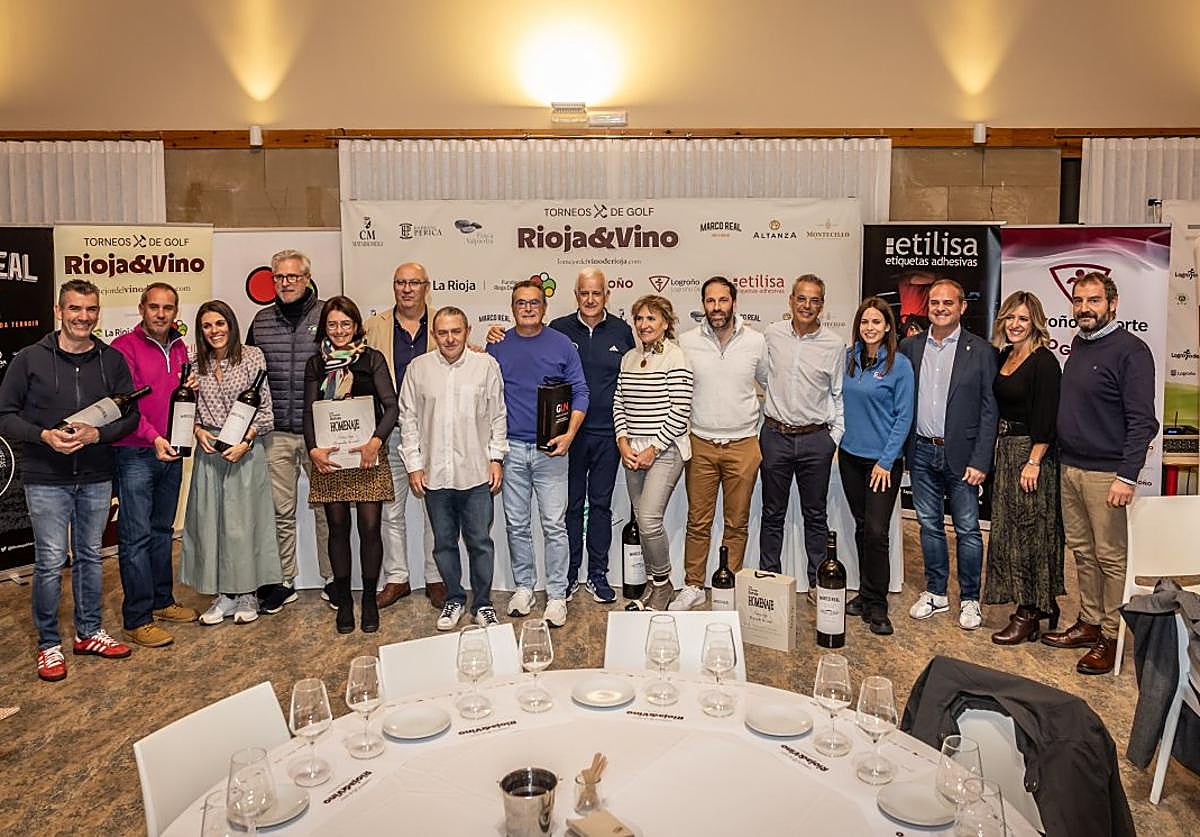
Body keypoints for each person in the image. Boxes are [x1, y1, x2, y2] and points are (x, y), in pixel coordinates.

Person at [0, 280, 137, 681]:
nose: (83, 317)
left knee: (91, 556)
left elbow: (130, 415)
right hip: (46, 478)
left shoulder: (111, 360)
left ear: (98, 313)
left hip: (96, 475)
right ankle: (49, 645)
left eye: (90, 309)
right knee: (49, 562)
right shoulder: (29, 359)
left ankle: (89, 632)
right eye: (75, 308)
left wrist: (98, 434)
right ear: (58, 312)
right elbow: (5, 414)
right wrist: (43, 435)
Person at [1042, 272, 1158, 674]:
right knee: (1082, 552)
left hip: (1106, 475)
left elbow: (1143, 421)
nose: (1084, 308)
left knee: (1110, 558)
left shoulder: (1132, 351)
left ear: (1113, 304)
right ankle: (1089, 622)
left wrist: (1127, 476)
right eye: (1078, 301)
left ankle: (1111, 635)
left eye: (1093, 300)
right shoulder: (1079, 344)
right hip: (1071, 467)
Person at [487, 280, 589, 628]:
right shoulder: (498, 345)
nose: (528, 308)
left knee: (554, 526)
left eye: (534, 303)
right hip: (511, 449)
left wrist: (569, 435)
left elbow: (581, 392)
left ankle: (557, 595)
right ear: (512, 308)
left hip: (552, 450)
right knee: (516, 524)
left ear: (544, 308)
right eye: (521, 303)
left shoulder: (561, 344)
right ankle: (524, 587)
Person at [898, 278, 998, 631]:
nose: (940, 308)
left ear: (962, 307)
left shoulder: (981, 351)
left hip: (963, 455)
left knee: (968, 529)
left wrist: (981, 460)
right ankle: (936, 592)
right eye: (935, 302)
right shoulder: (909, 347)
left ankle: (970, 598)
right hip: (921, 451)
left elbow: (989, 410)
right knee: (929, 525)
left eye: (948, 303)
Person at [400, 307, 508, 630]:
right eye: (443, 333)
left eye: (456, 331)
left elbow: (498, 415)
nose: (450, 339)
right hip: (435, 474)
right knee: (443, 544)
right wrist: (414, 465)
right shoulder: (418, 368)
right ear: (434, 335)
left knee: (480, 543)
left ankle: (483, 604)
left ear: (467, 330)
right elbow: (408, 419)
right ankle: (454, 599)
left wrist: (496, 458)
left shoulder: (485, 366)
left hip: (476, 472)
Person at [111, 282, 200, 649]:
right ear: (141, 308)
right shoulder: (123, 348)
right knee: (135, 538)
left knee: (163, 530)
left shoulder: (179, 347)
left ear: (175, 311)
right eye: (154, 307)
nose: (161, 314)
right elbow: (126, 405)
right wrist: (153, 438)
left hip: (172, 451)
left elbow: (177, 399)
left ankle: (162, 601)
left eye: (168, 307)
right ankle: (137, 618)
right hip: (136, 452)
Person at [182, 300, 282, 626]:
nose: (214, 331)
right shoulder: (193, 361)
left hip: (244, 450)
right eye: (207, 325)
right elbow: (187, 408)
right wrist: (197, 431)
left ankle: (248, 593)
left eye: (220, 323)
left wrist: (246, 442)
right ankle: (224, 595)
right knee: (211, 525)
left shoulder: (252, 357)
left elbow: (265, 411)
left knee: (244, 525)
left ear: (231, 325)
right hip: (210, 452)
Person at [304, 296, 398, 634]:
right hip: (329, 458)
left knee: (370, 529)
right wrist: (313, 450)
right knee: (337, 527)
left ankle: (369, 599)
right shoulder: (316, 364)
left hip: (367, 455)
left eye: (345, 324)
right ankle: (344, 601)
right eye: (332, 324)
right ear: (324, 328)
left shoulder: (372, 359)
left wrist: (375, 443)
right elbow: (309, 411)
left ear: (356, 326)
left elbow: (391, 406)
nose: (339, 330)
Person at [673, 276, 766, 611]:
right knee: (698, 522)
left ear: (734, 303)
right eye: (710, 301)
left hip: (744, 444)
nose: (716, 307)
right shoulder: (686, 342)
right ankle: (693, 585)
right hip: (700, 442)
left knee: (736, 523)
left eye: (722, 300)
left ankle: (729, 584)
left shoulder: (756, 341)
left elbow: (769, 383)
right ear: (703, 305)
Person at [246, 248, 329, 613]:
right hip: (275, 431)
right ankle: (284, 580)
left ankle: (333, 578)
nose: (286, 282)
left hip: (319, 432)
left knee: (327, 509)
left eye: (293, 276)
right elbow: (246, 372)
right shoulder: (261, 321)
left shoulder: (328, 315)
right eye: (280, 277)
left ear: (307, 278)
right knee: (280, 512)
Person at [983, 291, 1065, 646]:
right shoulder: (1005, 355)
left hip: (1032, 455)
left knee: (1031, 534)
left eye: (1023, 319)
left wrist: (1033, 460)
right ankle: (1038, 605)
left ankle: (1029, 613)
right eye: (1010, 318)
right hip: (1006, 452)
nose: (1015, 325)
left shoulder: (1044, 361)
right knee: (1009, 533)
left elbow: (1048, 416)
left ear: (1036, 324)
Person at [363, 261, 446, 610]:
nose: (407, 289)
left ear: (427, 286)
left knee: (435, 509)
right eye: (401, 282)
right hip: (390, 431)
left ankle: (436, 576)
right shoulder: (374, 326)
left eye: (414, 283)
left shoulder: (443, 322)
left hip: (434, 430)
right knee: (390, 509)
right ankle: (397, 577)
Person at [548, 268, 634, 603]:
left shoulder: (622, 331)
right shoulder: (558, 330)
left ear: (606, 295)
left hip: (607, 434)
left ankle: (598, 574)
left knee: (600, 505)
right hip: (568, 437)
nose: (590, 299)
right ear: (576, 295)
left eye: (596, 293)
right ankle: (569, 575)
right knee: (571, 507)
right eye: (584, 293)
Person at [760, 275, 844, 598]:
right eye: (801, 298)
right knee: (772, 514)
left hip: (815, 440)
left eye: (814, 300)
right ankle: (770, 583)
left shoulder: (834, 345)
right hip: (775, 436)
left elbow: (838, 394)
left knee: (816, 515)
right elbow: (764, 377)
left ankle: (817, 584)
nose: (807, 306)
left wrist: (833, 439)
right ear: (791, 300)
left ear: (822, 305)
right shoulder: (772, 334)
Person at [838, 297, 913, 636]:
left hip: (882, 463)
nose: (870, 328)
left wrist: (886, 460)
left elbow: (904, 416)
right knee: (860, 526)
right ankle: (866, 594)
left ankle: (878, 604)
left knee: (877, 531)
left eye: (876, 322)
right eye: (865, 322)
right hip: (850, 457)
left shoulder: (900, 365)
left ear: (887, 327)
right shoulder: (849, 358)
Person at [615, 295, 694, 611]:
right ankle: (652, 582)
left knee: (648, 521)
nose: (644, 324)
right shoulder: (629, 358)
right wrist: (622, 441)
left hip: (666, 450)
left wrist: (654, 448)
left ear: (665, 323)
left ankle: (663, 584)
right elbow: (619, 402)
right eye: (639, 318)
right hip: (632, 451)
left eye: (651, 318)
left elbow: (680, 410)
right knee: (641, 519)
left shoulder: (676, 357)